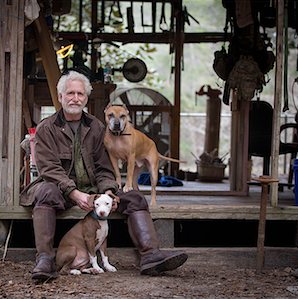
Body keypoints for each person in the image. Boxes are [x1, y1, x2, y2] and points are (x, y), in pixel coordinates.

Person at [21, 70, 188, 281]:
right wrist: (74, 193)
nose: (75, 98)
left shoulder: (97, 127)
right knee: (45, 192)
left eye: (80, 94)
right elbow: (49, 169)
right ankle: (45, 259)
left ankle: (151, 256)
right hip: (60, 190)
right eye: (70, 93)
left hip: (94, 191)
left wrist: (109, 192)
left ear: (86, 98)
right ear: (60, 96)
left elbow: (104, 167)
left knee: (134, 197)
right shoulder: (47, 128)